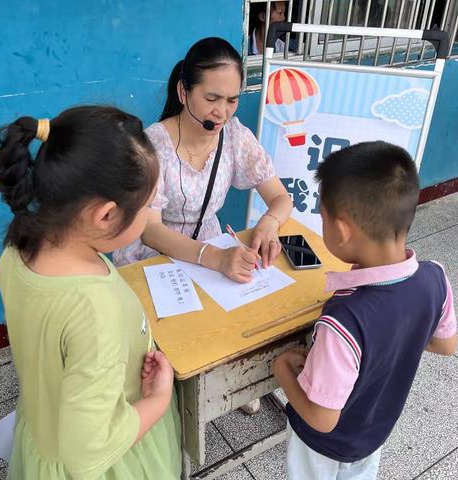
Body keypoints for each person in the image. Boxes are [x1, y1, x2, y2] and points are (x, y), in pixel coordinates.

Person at [0, 106, 181, 479]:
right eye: (147, 206)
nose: (150, 214)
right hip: (114, 462)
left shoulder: (19, 248)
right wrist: (159, 400)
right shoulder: (94, 311)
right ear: (106, 215)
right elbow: (89, 453)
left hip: (45, 424)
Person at [113, 37, 292, 414]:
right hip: (154, 253)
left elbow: (281, 198)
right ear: (183, 91)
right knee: (166, 340)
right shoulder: (151, 146)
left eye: (232, 100)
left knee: (223, 322)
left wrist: (268, 224)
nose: (222, 112)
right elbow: (151, 230)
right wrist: (214, 258)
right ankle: (161, 392)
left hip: (208, 239)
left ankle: (228, 378)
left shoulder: (236, 137)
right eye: (212, 99)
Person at [273, 141, 457, 480]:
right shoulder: (436, 277)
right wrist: (396, 339)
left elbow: (322, 418)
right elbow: (447, 345)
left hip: (322, 448)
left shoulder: (342, 321)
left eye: (323, 219)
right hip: (375, 431)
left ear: (342, 231)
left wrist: (282, 369)